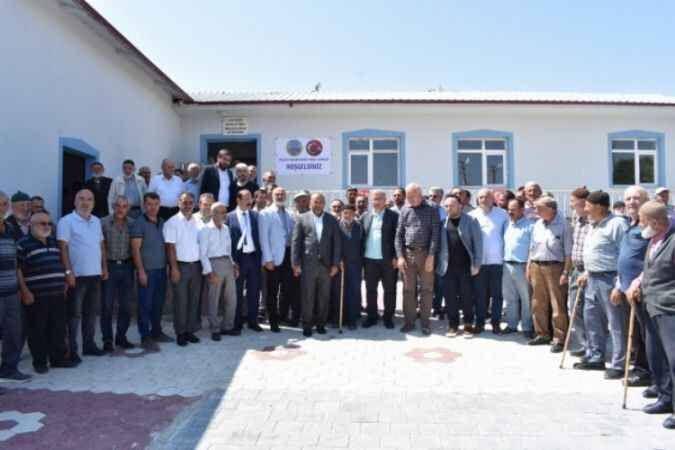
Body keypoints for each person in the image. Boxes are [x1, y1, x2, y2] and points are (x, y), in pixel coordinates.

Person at [626, 201, 675, 429]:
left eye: (643, 221)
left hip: (669, 308)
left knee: (673, 358)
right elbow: (650, 269)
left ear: (655, 222)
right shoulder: (655, 238)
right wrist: (637, 282)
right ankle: (665, 397)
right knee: (656, 355)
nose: (640, 225)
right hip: (649, 304)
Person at [575, 191, 629, 379]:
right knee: (591, 319)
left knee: (616, 323)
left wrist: (619, 285)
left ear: (598, 207)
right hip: (592, 278)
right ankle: (595, 356)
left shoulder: (617, 224)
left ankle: (619, 363)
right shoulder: (593, 224)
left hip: (610, 279)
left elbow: (624, 255)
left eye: (588, 205)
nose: (585, 208)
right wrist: (586, 272)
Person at [17, 212, 75, 373]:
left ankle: (58, 359)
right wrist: (24, 291)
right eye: (42, 223)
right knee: (37, 330)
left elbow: (62, 263)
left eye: (49, 223)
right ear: (31, 225)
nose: (47, 226)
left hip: (57, 293)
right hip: (36, 296)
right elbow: (18, 270)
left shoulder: (54, 241)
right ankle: (40, 362)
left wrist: (65, 281)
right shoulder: (22, 244)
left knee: (58, 328)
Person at [57, 189, 108, 361]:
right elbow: (63, 248)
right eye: (81, 199)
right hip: (76, 276)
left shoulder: (96, 221)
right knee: (74, 315)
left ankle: (89, 345)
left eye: (89, 199)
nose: (85, 202)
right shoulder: (66, 221)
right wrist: (68, 272)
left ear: (93, 203)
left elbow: (101, 245)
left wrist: (104, 267)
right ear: (75, 201)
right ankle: (71, 350)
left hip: (95, 274)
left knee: (91, 313)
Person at [613, 186, 652, 387]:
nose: (631, 202)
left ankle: (646, 371)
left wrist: (639, 282)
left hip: (642, 289)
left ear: (646, 201)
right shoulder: (630, 224)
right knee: (634, 332)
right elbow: (623, 257)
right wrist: (618, 285)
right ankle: (638, 367)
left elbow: (653, 258)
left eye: (636, 198)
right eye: (628, 198)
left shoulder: (650, 227)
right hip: (626, 288)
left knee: (646, 334)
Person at [292, 193, 341, 337]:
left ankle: (321, 324)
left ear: (324, 204)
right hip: (308, 265)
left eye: (320, 202)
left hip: (326, 266)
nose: (318, 205)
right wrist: (295, 263)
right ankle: (307, 325)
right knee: (307, 296)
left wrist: (335, 264)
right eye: (315, 202)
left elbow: (336, 243)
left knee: (323, 296)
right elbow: (296, 242)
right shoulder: (302, 218)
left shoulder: (331, 219)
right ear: (310, 203)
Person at [527, 196, 572, 351]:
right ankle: (542, 334)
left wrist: (566, 272)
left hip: (555, 267)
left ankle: (559, 338)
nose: (536, 211)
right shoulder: (537, 224)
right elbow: (532, 247)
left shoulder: (564, 224)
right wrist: (529, 266)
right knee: (538, 302)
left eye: (539, 208)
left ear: (551, 209)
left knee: (557, 304)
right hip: (536, 265)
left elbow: (568, 252)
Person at [395, 183, 440, 335]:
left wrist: (431, 256)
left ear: (420, 194)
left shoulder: (432, 209)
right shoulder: (404, 210)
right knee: (408, 290)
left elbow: (435, 235)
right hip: (408, 255)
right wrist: (400, 256)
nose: (412, 199)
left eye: (414, 196)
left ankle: (425, 323)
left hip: (426, 254)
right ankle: (409, 322)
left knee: (426, 290)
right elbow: (398, 235)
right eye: (409, 197)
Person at [130, 192, 172, 350]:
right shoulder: (139, 223)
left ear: (159, 205)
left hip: (161, 270)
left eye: (155, 204)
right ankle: (145, 336)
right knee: (145, 305)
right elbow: (135, 250)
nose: (152, 207)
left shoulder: (162, 222)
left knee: (158, 304)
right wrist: (141, 271)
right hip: (147, 271)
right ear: (144, 205)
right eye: (149, 204)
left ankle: (156, 331)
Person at [436, 194, 482, 336]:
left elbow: (478, 244)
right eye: (446, 206)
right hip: (447, 267)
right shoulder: (442, 223)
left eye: (452, 205)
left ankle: (468, 324)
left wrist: (477, 264)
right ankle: (453, 325)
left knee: (467, 296)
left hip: (465, 267)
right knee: (450, 298)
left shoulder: (471, 221)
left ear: (460, 206)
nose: (449, 208)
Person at [164, 192, 203, 347]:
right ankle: (180, 332)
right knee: (181, 301)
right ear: (178, 203)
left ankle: (189, 331)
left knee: (194, 300)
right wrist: (174, 268)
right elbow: (170, 247)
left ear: (194, 204)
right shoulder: (172, 222)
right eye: (184, 202)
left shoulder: (198, 221)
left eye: (190, 203)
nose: (187, 205)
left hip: (196, 266)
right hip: (180, 266)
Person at [0, 191, 31, 382]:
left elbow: (17, 262)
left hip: (11, 292)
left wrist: (22, 288)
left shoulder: (10, 229)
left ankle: (9, 370)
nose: (1, 208)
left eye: (4, 204)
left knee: (13, 333)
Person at [469, 188, 509, 334]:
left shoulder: (503, 214)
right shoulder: (471, 215)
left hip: (497, 261)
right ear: (477, 200)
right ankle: (479, 323)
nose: (484, 200)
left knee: (497, 295)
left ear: (493, 199)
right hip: (479, 263)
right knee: (479, 295)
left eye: (486, 197)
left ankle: (495, 323)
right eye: (480, 197)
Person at [100, 196, 135, 352]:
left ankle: (121, 337)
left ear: (128, 208)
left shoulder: (133, 224)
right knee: (106, 306)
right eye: (118, 206)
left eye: (124, 206)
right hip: (109, 266)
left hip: (127, 267)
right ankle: (107, 340)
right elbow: (100, 246)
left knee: (126, 305)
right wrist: (103, 268)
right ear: (113, 206)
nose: (121, 209)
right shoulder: (103, 223)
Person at [259, 187, 297, 332]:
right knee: (272, 291)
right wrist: (267, 259)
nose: (280, 196)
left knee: (287, 290)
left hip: (288, 256)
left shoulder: (290, 213)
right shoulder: (265, 213)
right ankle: (273, 321)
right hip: (273, 258)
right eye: (277, 194)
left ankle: (282, 316)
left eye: (282, 194)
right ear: (272, 196)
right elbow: (263, 238)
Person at [199, 202, 238, 340]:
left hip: (227, 262)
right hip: (213, 263)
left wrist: (233, 264)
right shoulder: (205, 230)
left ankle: (227, 326)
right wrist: (209, 272)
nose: (224, 215)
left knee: (231, 298)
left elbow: (228, 250)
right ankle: (215, 328)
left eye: (225, 212)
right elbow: (202, 253)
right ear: (213, 213)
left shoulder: (226, 228)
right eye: (221, 212)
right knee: (213, 298)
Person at [361, 190, 399, 329]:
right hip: (369, 260)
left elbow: (398, 238)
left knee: (389, 290)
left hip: (388, 260)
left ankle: (388, 317)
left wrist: (396, 256)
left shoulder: (393, 216)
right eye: (374, 199)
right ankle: (372, 316)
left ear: (385, 200)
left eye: (379, 199)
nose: (376, 202)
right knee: (370, 290)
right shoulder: (365, 216)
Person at [228, 190, 262, 332]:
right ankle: (237, 322)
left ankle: (253, 321)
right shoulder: (229, 217)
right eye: (246, 198)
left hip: (253, 258)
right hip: (238, 259)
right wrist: (232, 260)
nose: (250, 201)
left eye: (251, 198)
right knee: (237, 292)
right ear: (238, 200)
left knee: (254, 291)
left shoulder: (255, 216)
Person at [501, 198, 534, 336]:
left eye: (513, 209)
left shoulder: (531, 226)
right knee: (510, 298)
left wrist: (529, 266)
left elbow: (533, 248)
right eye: (509, 209)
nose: (510, 212)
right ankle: (512, 325)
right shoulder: (506, 224)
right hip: (506, 265)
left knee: (526, 298)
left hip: (522, 266)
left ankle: (527, 327)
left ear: (522, 210)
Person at [567, 186, 591, 356]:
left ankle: (592, 346)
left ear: (582, 203)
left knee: (589, 311)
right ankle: (584, 344)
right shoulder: (577, 219)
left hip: (588, 271)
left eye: (572, 201)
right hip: (576, 270)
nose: (570, 205)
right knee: (574, 308)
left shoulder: (593, 222)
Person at [338, 205, 363, 329]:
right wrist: (338, 259)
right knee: (340, 291)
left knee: (353, 291)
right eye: (345, 213)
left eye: (349, 213)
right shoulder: (337, 225)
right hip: (340, 264)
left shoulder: (359, 226)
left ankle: (352, 320)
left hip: (355, 264)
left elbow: (362, 245)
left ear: (354, 214)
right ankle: (340, 318)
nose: (347, 215)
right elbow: (334, 244)